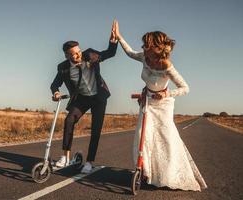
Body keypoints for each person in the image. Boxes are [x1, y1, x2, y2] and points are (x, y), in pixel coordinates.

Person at [113, 20, 207, 191]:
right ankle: (145, 170)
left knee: (165, 138)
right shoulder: (143, 57)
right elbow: (129, 52)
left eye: (147, 45)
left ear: (157, 47)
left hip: (163, 104)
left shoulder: (166, 65)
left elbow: (185, 88)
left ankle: (169, 174)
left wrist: (166, 93)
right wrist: (119, 37)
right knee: (144, 134)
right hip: (147, 100)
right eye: (144, 45)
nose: (143, 48)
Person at [50, 23, 117, 173]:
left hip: (99, 97)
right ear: (67, 56)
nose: (78, 55)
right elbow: (55, 84)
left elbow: (110, 53)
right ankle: (66, 157)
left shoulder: (90, 55)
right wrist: (55, 93)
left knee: (96, 129)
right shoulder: (63, 67)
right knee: (69, 120)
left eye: (79, 51)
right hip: (82, 98)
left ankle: (89, 162)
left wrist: (113, 41)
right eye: (74, 54)